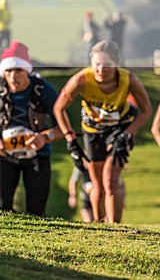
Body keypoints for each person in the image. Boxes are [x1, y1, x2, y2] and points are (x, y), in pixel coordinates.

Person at [54, 40, 152, 223]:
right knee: (96, 184)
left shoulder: (128, 79)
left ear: (116, 63)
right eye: (96, 64)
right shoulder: (81, 79)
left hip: (119, 130)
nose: (101, 69)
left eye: (106, 64)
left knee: (111, 179)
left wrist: (128, 133)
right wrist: (70, 138)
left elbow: (146, 111)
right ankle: (99, 227)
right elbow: (58, 108)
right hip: (93, 132)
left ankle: (115, 228)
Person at [0, 41, 61, 216]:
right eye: (8, 71)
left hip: (38, 154)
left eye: (18, 71)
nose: (13, 77)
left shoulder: (44, 90)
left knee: (36, 211)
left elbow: (62, 127)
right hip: (4, 154)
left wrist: (44, 137)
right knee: (0, 208)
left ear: (27, 71)